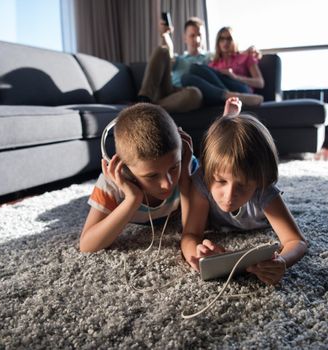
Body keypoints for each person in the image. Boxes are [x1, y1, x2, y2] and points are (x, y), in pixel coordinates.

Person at [180, 98, 307, 285]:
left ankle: (230, 118)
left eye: (243, 185)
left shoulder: (264, 189)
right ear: (209, 173)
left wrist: (282, 261)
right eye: (221, 181)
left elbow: (296, 241)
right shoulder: (202, 180)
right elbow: (190, 235)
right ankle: (229, 118)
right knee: (222, 146)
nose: (229, 195)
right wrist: (197, 255)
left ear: (259, 180)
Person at [80, 103, 195, 253]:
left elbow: (193, 229)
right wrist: (132, 199)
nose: (168, 184)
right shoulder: (113, 183)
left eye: (174, 167)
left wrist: (185, 179)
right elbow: (87, 246)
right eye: (152, 176)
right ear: (125, 170)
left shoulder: (187, 167)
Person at [137, 17, 209, 113]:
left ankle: (147, 108)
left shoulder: (208, 58)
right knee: (163, 50)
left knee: (195, 94)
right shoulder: (179, 58)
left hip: (186, 94)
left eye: (199, 35)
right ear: (185, 38)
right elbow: (169, 53)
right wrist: (165, 34)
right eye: (192, 35)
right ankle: (144, 99)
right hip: (168, 90)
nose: (197, 39)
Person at [181, 27, 265, 107]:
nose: (225, 42)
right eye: (222, 39)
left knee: (194, 67)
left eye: (229, 39)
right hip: (218, 94)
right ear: (218, 42)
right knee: (185, 78)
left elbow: (260, 83)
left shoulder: (245, 57)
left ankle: (228, 96)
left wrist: (235, 77)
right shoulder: (213, 63)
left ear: (234, 41)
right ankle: (226, 95)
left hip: (242, 91)